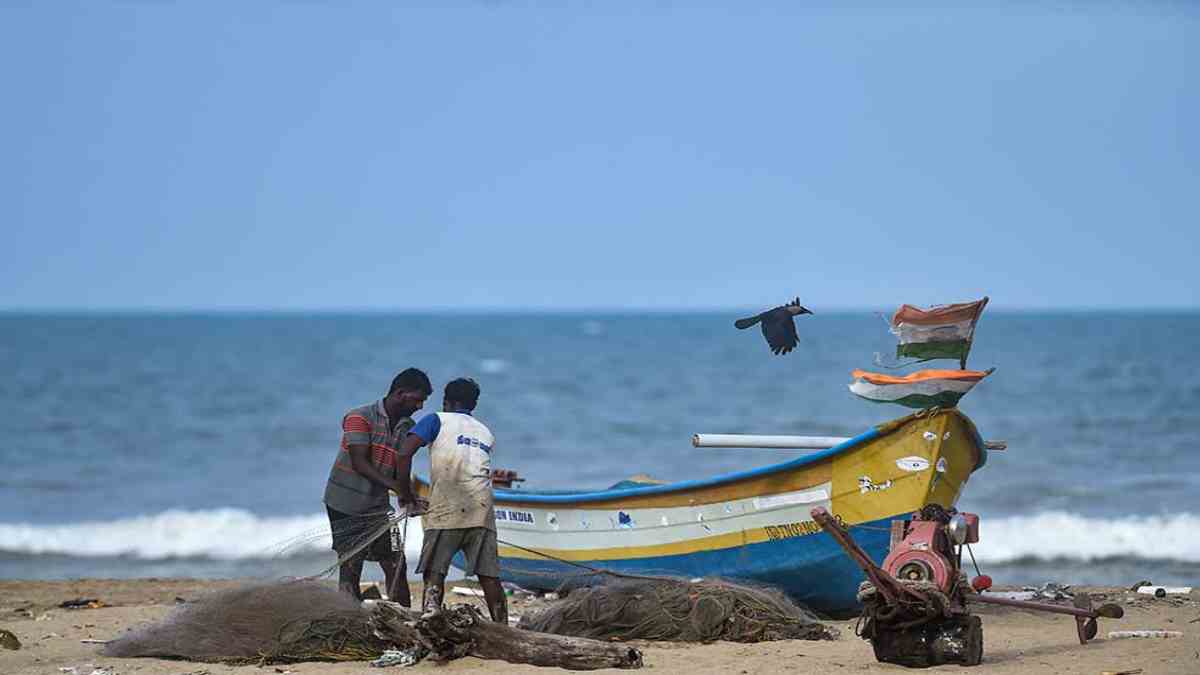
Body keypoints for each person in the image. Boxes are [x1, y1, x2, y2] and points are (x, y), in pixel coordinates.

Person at [396, 377, 507, 624]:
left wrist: (407, 495)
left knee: (435, 574)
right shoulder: (485, 432)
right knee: (489, 576)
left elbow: (404, 453)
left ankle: (430, 622)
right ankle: (504, 628)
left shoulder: (436, 419)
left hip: (447, 508)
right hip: (481, 508)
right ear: (473, 405)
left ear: (446, 401)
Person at [324, 367, 432, 604]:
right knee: (351, 565)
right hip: (344, 504)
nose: (420, 406)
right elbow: (360, 463)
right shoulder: (359, 417)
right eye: (418, 399)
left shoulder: (407, 425)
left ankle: (403, 619)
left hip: (378, 508)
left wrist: (409, 497)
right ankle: (349, 619)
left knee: (397, 562)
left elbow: (401, 469)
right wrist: (399, 488)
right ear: (400, 393)